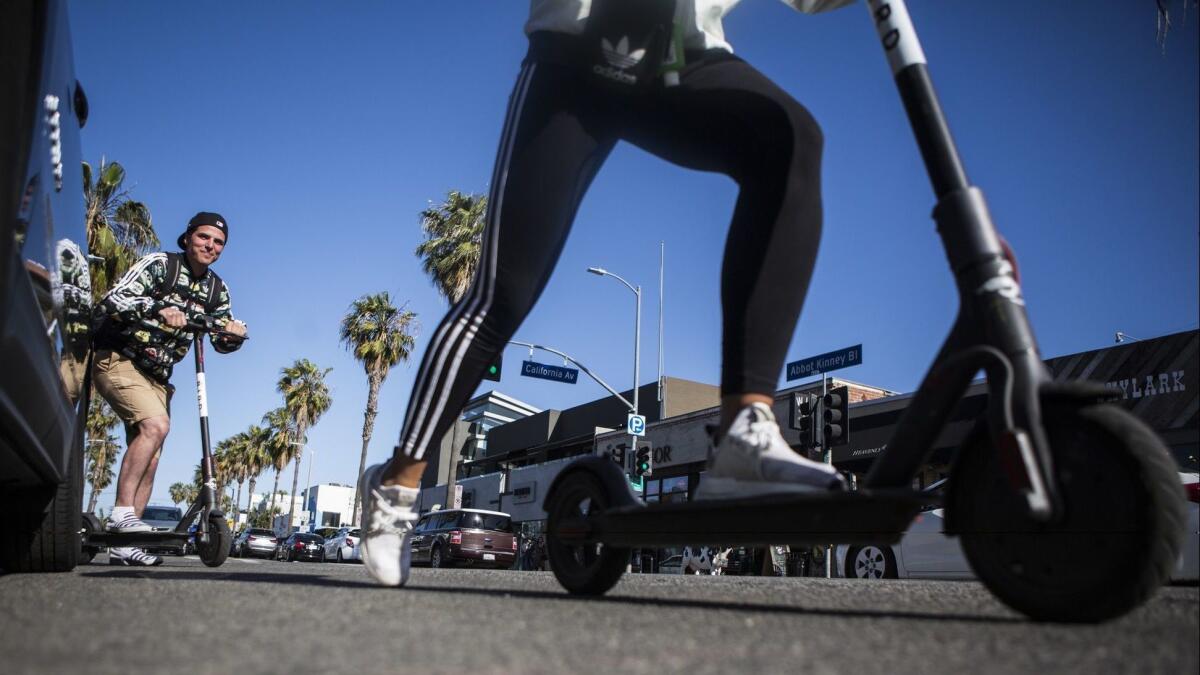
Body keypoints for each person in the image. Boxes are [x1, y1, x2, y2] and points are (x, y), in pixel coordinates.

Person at [359, 0, 852, 586]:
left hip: (680, 57)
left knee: (792, 139)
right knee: (503, 294)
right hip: (575, 59)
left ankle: (745, 432)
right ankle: (399, 482)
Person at [93, 211, 247, 566]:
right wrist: (160, 308)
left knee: (152, 455)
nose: (211, 246)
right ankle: (121, 514)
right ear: (188, 237)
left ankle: (124, 543)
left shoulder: (216, 289)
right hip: (120, 357)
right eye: (204, 238)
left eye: (219, 242)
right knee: (156, 426)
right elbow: (113, 300)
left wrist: (233, 334)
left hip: (158, 376)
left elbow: (220, 337)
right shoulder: (161, 265)